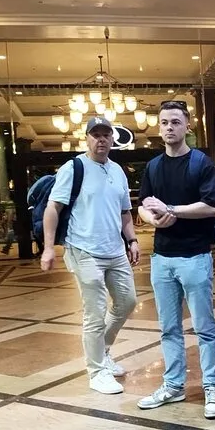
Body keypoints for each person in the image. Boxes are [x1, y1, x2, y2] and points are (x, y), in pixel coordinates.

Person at [136, 100, 215, 419]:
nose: (169, 127)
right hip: (162, 258)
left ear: (188, 125)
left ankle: (212, 386)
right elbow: (142, 206)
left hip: (195, 256)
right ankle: (173, 385)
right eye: (164, 123)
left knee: (204, 327)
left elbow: (212, 205)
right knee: (168, 328)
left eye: (175, 122)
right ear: (159, 128)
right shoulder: (153, 167)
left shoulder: (201, 163)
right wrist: (153, 219)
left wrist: (171, 209)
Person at [41, 116, 139, 395]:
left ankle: (102, 351)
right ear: (86, 138)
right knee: (94, 313)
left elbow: (124, 212)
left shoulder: (118, 170)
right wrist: (48, 247)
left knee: (127, 302)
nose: (101, 139)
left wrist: (132, 240)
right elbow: (53, 208)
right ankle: (96, 372)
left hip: (114, 250)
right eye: (96, 134)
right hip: (83, 249)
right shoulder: (74, 168)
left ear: (112, 139)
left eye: (106, 134)